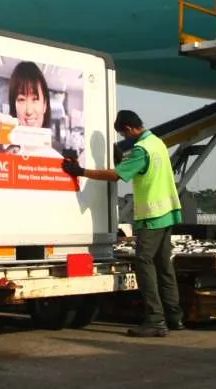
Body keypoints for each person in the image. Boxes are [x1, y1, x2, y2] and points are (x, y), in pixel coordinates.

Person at [61, 109, 183, 337]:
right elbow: (142, 169)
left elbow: (115, 175)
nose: (125, 139)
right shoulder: (157, 143)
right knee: (164, 266)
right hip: (168, 213)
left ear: (128, 129)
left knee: (144, 263)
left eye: (124, 135)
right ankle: (174, 316)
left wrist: (80, 171)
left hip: (152, 216)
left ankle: (155, 320)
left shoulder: (141, 150)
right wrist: (122, 158)